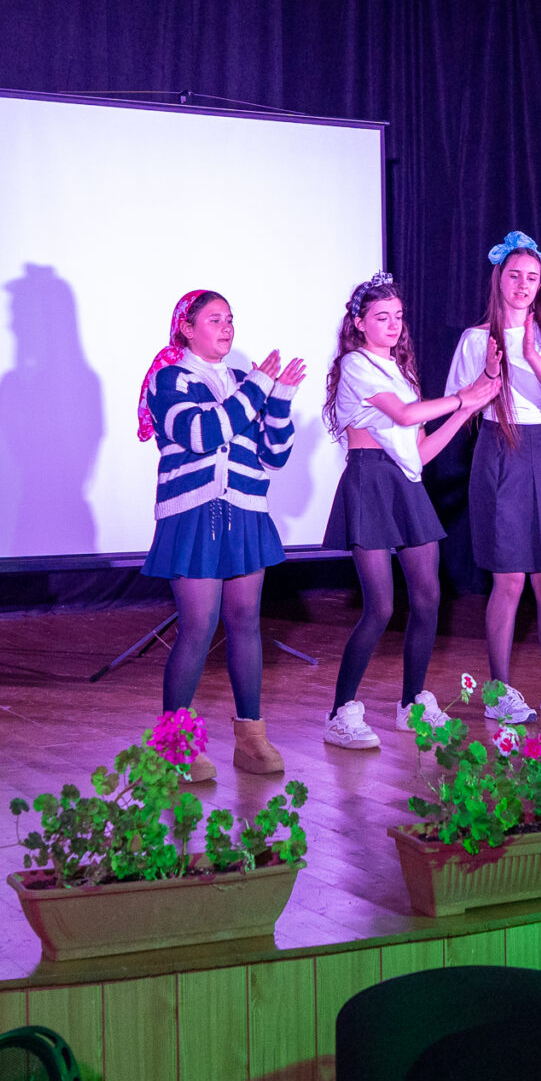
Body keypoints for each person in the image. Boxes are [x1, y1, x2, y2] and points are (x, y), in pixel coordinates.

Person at [317, 273, 501, 751]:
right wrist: (462, 396)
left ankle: (412, 704)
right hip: (370, 481)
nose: (393, 324)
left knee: (428, 598)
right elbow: (402, 415)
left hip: (405, 483)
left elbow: (420, 452)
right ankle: (340, 713)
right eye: (382, 317)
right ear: (359, 323)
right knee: (380, 606)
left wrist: (467, 409)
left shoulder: (403, 373)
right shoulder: (355, 364)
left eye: (398, 316)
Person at [137, 289, 306, 781]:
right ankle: (173, 745)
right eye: (214, 319)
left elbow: (274, 454)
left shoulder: (241, 381)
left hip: (245, 510)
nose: (227, 327)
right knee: (198, 624)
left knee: (246, 620)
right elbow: (203, 433)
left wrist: (281, 398)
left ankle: (251, 737)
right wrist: (258, 387)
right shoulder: (170, 379)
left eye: (230, 318)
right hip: (193, 513)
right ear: (187, 329)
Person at [445, 232, 541, 724]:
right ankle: (499, 691)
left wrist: (531, 355)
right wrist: (489, 375)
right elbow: (463, 407)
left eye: (532, 278)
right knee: (508, 580)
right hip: (499, 453)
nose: (523, 285)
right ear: (498, 280)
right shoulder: (475, 339)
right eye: (514, 276)